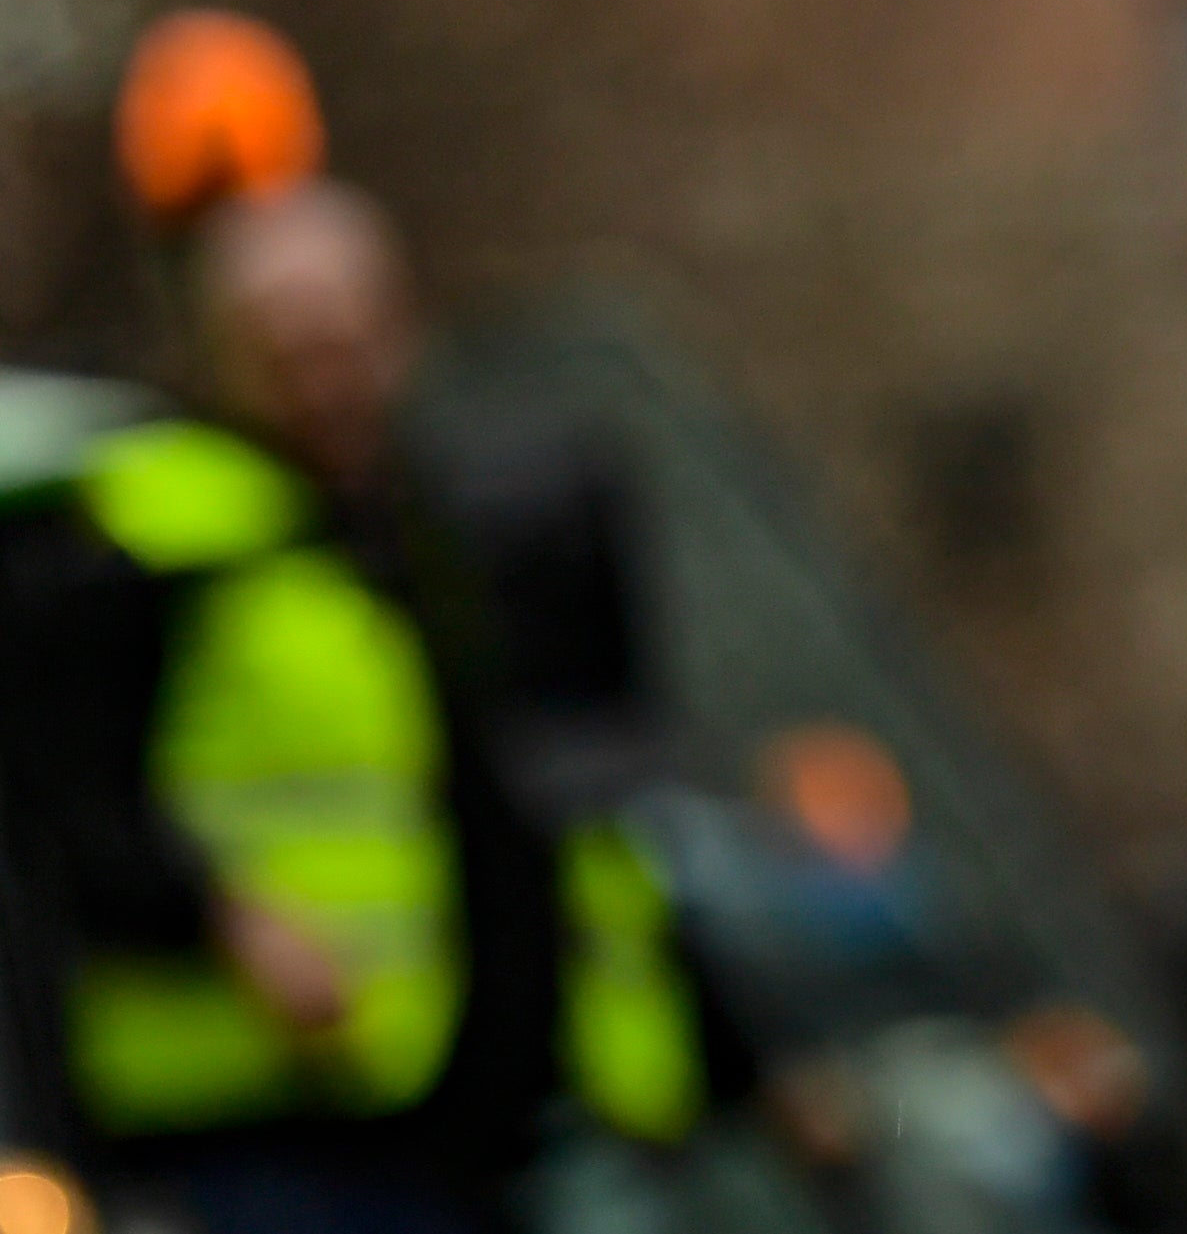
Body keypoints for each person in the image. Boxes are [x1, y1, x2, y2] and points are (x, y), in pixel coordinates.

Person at [0, 177, 703, 1234]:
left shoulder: (435, 528)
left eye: (346, 344)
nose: (326, 383)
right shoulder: (141, 528)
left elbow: (553, 812)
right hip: (236, 1122)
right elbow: (54, 795)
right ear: (218, 351)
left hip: (441, 1106)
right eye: (286, 350)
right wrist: (213, 913)